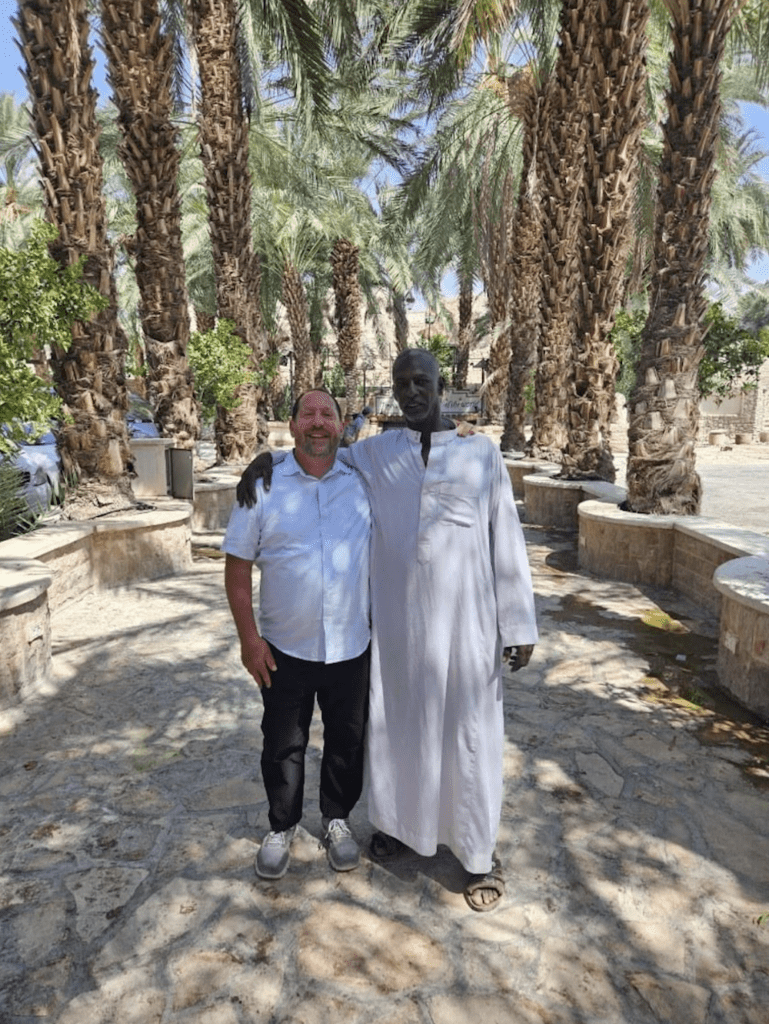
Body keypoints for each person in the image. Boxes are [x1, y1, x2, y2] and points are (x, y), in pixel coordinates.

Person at [237, 351, 538, 910]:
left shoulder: (481, 455)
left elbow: (508, 540)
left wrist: (518, 623)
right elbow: (319, 450)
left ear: (441, 384)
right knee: (400, 729)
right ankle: (402, 828)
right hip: (401, 631)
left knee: (469, 739)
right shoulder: (377, 453)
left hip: (469, 632)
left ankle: (477, 855)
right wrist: (267, 459)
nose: (410, 392)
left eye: (420, 381)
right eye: (401, 384)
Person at [223, 388, 371, 880]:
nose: (317, 422)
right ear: (292, 425)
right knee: (282, 741)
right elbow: (238, 566)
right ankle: (282, 825)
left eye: (326, 414)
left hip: (351, 644)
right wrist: (249, 638)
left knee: (347, 739)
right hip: (285, 647)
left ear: (341, 425)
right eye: (307, 413)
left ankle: (336, 820)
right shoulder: (262, 485)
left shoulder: (362, 480)